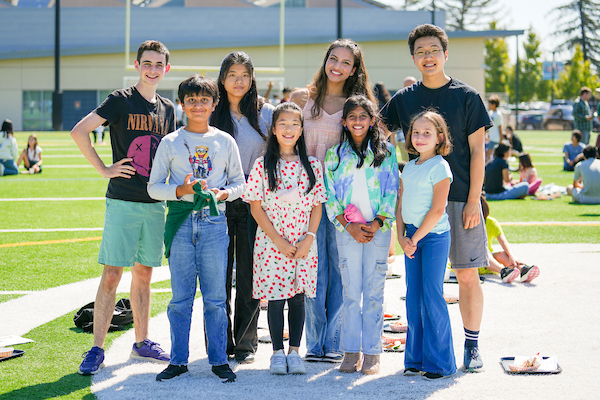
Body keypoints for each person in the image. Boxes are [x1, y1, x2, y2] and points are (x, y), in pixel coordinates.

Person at [380, 24, 491, 373]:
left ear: (446, 53)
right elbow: (377, 134)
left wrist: (474, 199)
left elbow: (477, 152)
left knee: (467, 274)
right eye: (420, 52)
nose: (427, 57)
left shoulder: (467, 96)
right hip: (415, 207)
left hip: (458, 201)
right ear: (413, 58)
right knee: (420, 288)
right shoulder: (404, 99)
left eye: (433, 50)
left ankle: (471, 346)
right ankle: (421, 353)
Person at [71, 40, 174, 376]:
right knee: (112, 274)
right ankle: (97, 348)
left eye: (159, 64)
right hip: (123, 200)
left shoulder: (168, 109)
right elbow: (79, 131)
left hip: (154, 204)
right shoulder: (120, 100)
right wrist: (104, 169)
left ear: (166, 69)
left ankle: (142, 341)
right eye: (148, 63)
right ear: (137, 64)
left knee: (144, 275)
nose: (153, 69)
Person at [148, 75, 244, 382]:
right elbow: (153, 188)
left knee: (215, 297)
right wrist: (180, 190)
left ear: (215, 104)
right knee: (180, 298)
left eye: (204, 100)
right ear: (182, 104)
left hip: (215, 223)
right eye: (191, 100)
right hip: (180, 223)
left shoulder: (224, 141)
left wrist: (223, 193)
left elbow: (240, 183)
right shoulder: (170, 142)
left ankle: (218, 359)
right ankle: (178, 360)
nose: (198, 105)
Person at [291, 38, 376, 363]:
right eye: (333, 59)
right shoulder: (304, 98)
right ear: (325, 60)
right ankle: (315, 343)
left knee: (342, 270)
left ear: (354, 69)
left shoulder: (358, 104)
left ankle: (336, 341)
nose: (337, 66)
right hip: (305, 198)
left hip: (343, 201)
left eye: (345, 62)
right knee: (313, 268)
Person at [244, 101, 325, 375]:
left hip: (303, 241)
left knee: (298, 297)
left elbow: (317, 205)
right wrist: (278, 240)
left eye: (294, 124)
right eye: (283, 124)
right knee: (276, 298)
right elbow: (255, 206)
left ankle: (295, 352)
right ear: (274, 129)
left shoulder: (311, 165)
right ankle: (277, 352)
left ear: (302, 129)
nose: (289, 129)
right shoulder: (263, 165)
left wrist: (309, 238)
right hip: (272, 243)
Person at [324, 95, 398, 375]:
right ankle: (351, 351)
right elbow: (329, 195)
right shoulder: (335, 155)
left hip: (378, 230)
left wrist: (378, 222)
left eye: (363, 116)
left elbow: (392, 189)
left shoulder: (387, 152)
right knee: (351, 292)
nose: (357, 121)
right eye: (352, 116)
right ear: (344, 121)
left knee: (375, 292)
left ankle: (372, 352)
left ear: (372, 121)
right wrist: (347, 224)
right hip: (348, 231)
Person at [210, 51, 275, 364]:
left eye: (245, 75)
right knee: (217, 276)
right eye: (232, 74)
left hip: (254, 205)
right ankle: (220, 342)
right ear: (222, 79)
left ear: (252, 79)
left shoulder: (267, 114)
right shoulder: (209, 113)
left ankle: (246, 344)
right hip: (217, 206)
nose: (239, 81)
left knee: (250, 276)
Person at [396, 109, 455, 380]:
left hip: (432, 238)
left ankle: (440, 363)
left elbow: (437, 209)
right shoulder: (409, 166)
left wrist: (415, 239)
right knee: (414, 297)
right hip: (410, 238)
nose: (420, 137)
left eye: (427, 133)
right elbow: (401, 205)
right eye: (416, 132)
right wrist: (401, 237)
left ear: (439, 137)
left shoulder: (440, 166)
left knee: (432, 296)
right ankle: (415, 359)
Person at [480, 194, 540, 283]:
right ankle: (503, 271)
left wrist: (512, 256)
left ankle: (521, 269)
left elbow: (503, 241)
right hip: (472, 263)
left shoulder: (491, 222)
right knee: (484, 251)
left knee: (502, 254)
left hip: (489, 262)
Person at [486, 95, 503, 161]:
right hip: (492, 137)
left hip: (496, 138)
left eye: (490, 104)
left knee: (489, 153)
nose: (489, 105)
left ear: (494, 104)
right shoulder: (491, 113)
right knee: (489, 153)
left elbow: (500, 127)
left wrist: (501, 138)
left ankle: (488, 167)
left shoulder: (498, 114)